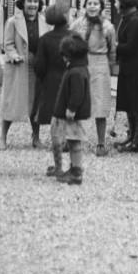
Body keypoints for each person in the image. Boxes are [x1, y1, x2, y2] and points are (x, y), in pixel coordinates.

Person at [0, 0, 51, 149]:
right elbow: (8, 44)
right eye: (29, 1)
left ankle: (36, 137)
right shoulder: (13, 22)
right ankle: (3, 137)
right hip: (18, 66)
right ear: (23, 3)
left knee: (36, 102)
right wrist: (14, 56)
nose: (33, 5)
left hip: (37, 67)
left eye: (36, 1)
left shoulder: (44, 22)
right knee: (12, 101)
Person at [70, 0, 116, 156]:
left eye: (96, 3)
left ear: (101, 7)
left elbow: (112, 50)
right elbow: (69, 41)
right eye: (89, 3)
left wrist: (109, 66)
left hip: (100, 63)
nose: (92, 6)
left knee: (100, 104)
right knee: (75, 101)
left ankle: (101, 143)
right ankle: (72, 139)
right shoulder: (77, 24)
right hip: (81, 62)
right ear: (84, 6)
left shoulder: (108, 27)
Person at [33, 4, 72, 176]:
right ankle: (71, 149)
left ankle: (58, 162)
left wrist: (42, 77)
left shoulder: (45, 39)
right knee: (70, 115)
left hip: (51, 80)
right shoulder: (74, 37)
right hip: (71, 78)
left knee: (55, 119)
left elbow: (39, 66)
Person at [50, 33, 91, 185]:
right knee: (72, 141)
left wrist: (71, 109)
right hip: (74, 113)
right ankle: (74, 169)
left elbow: (77, 93)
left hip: (74, 114)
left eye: (65, 55)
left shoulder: (76, 72)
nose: (63, 58)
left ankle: (76, 173)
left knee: (74, 142)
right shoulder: (79, 68)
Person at [114, 0, 138, 153]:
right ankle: (132, 136)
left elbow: (130, 46)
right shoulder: (128, 18)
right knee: (129, 101)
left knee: (137, 102)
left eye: (116, 1)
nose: (114, 4)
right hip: (128, 65)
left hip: (137, 66)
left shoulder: (135, 21)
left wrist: (114, 46)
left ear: (123, 3)